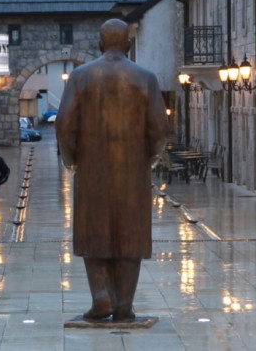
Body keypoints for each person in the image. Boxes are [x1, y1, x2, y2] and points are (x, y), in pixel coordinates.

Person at [55, 18, 170, 322]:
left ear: (100, 42)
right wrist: (150, 158)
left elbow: (63, 125)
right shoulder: (146, 77)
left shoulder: (80, 76)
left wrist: (72, 159)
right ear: (129, 44)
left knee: (93, 233)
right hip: (133, 172)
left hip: (92, 170)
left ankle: (101, 297)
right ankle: (124, 305)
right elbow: (160, 128)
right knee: (131, 235)